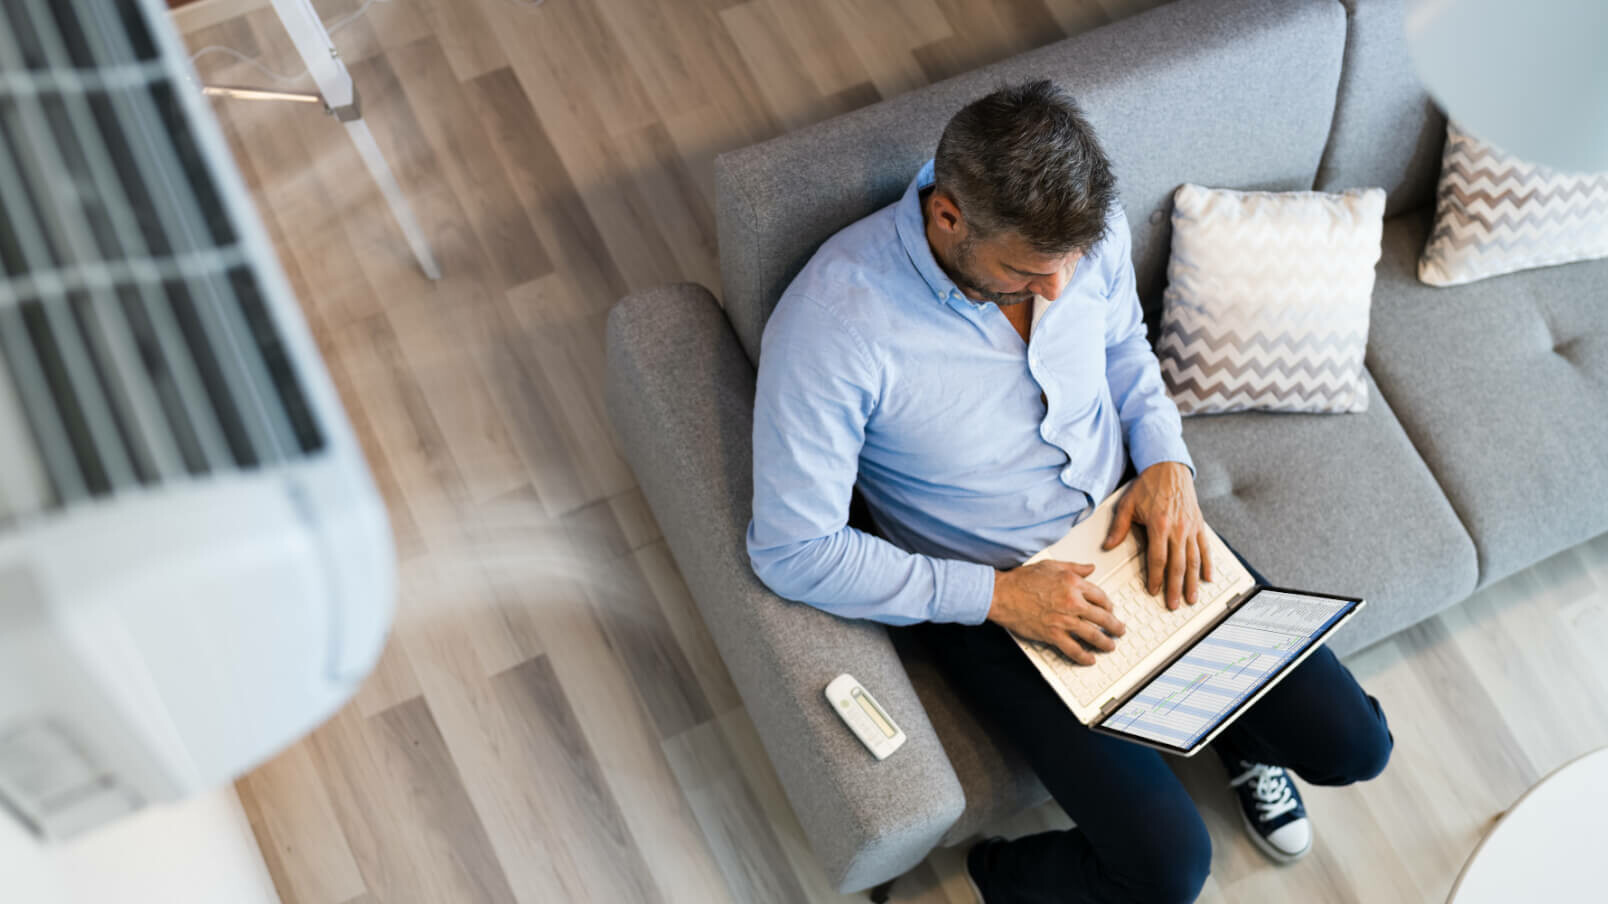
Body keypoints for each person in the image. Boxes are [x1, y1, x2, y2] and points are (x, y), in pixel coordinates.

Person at [745, 80, 1394, 904]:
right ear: (948, 217)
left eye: (1068, 269)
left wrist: (1166, 461)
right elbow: (791, 551)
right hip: (996, 599)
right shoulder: (836, 325)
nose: (1055, 292)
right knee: (1166, 872)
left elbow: (1123, 342)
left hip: (1134, 522)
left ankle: (1229, 724)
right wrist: (1001, 598)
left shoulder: (1081, 236)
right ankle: (1001, 876)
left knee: (1357, 746)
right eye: (1024, 273)